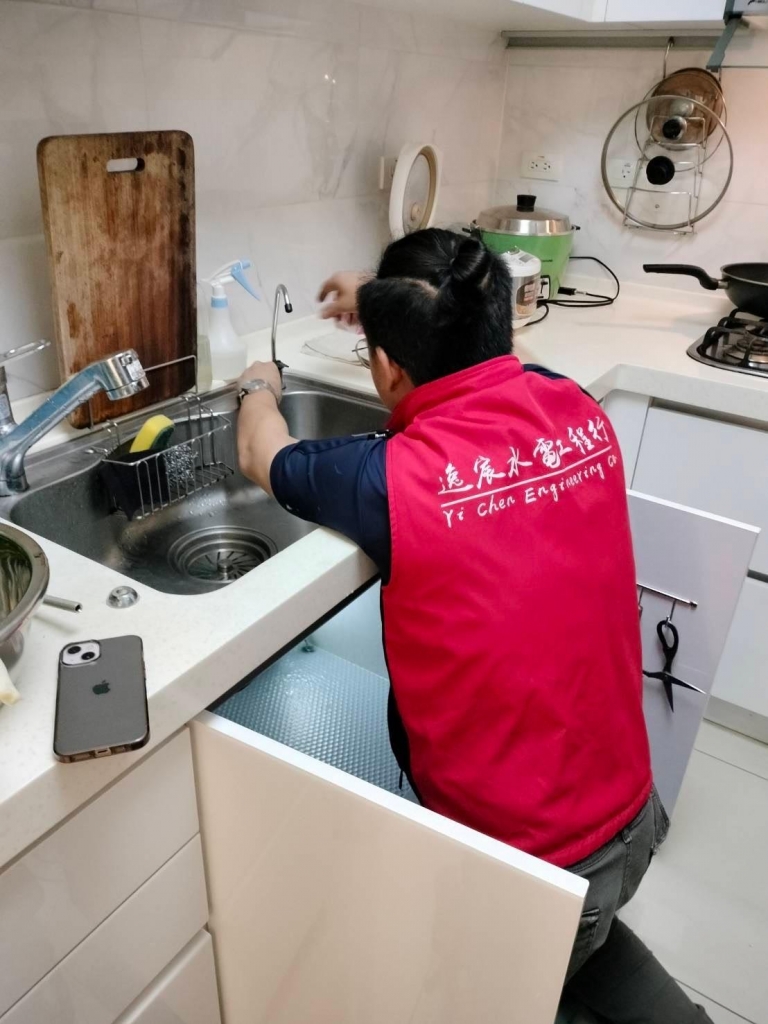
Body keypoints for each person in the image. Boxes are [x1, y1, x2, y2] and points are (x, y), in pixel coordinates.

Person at [236, 229, 713, 1024]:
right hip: (631, 815)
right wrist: (391, 300)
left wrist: (258, 380)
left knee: (515, 974)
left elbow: (262, 452)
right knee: (584, 941)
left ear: (386, 367)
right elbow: (500, 356)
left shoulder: (390, 480)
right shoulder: (573, 405)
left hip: (527, 866)